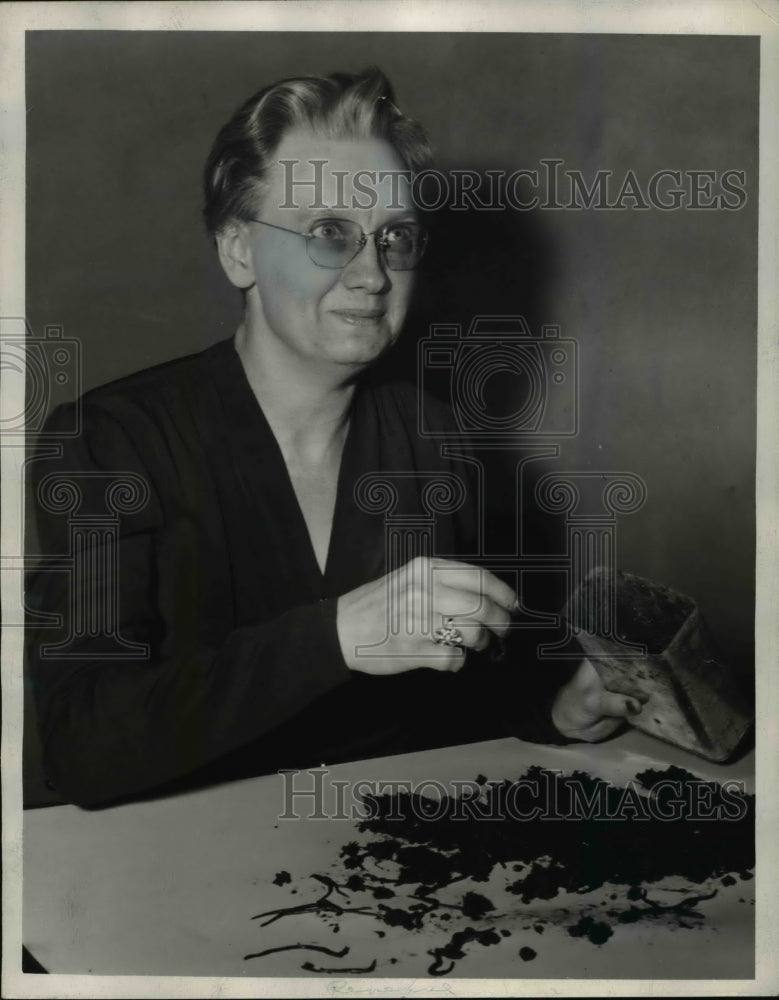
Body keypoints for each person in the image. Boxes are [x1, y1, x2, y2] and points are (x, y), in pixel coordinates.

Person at [27, 68, 642, 808]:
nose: (372, 275)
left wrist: (552, 708)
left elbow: (451, 696)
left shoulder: (433, 436)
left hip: (372, 871)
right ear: (238, 251)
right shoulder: (112, 440)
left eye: (395, 237)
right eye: (328, 233)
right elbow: (83, 746)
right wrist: (336, 638)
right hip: (177, 872)